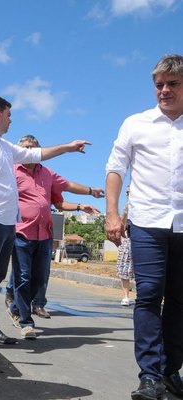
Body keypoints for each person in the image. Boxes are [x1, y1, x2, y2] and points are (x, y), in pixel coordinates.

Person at [0, 96, 90, 353]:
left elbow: (36, 153)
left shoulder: (4, 145)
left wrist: (67, 147)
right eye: (9, 115)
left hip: (6, 222)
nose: (11, 121)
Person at [105, 54, 183, 400]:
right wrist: (112, 213)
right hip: (148, 222)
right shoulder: (136, 123)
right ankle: (149, 375)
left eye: (172, 84)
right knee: (149, 294)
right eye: (159, 85)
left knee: (180, 300)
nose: (164, 90)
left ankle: (170, 372)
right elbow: (115, 169)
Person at [4, 134, 103, 339]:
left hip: (44, 234)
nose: (29, 151)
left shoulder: (47, 173)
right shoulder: (10, 171)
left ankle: (15, 308)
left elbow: (65, 189)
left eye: (32, 147)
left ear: (39, 151)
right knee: (23, 277)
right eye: (24, 147)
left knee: (39, 279)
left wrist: (88, 194)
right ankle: (26, 322)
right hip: (21, 232)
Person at [116, 185, 134, 307]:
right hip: (129, 240)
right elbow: (122, 223)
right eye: (126, 193)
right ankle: (126, 296)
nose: (127, 194)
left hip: (144, 240)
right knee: (124, 269)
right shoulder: (127, 207)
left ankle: (142, 296)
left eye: (129, 192)